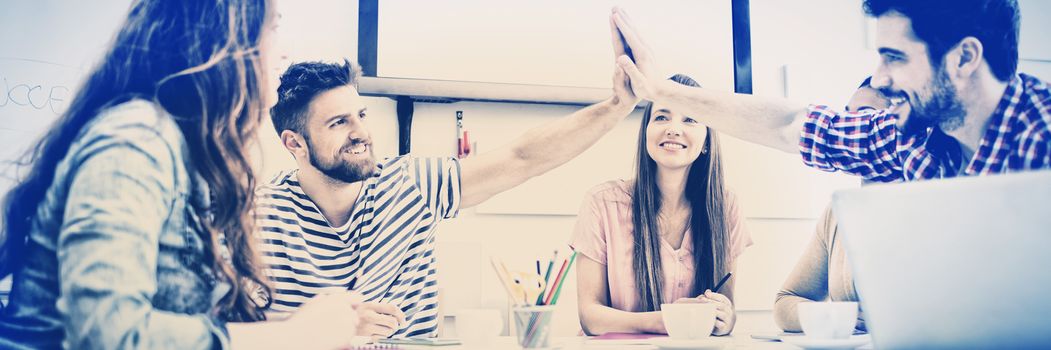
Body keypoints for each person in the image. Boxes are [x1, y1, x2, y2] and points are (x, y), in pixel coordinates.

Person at [0, 1, 363, 349]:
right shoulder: (137, 140)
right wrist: (293, 338)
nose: (286, 51)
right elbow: (106, 334)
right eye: (273, 28)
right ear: (223, 42)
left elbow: (178, 320)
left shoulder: (185, 152)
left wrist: (305, 326)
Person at [257, 42, 641, 337]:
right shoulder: (260, 215)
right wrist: (324, 332)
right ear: (295, 143)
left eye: (360, 115)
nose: (361, 133)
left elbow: (522, 157)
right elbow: (219, 333)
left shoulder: (411, 184)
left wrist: (617, 106)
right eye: (338, 123)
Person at [609, 0, 1050, 183]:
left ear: (964, 58)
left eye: (894, 57)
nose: (879, 78)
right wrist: (658, 90)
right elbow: (788, 126)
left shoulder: (1041, 136)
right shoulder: (911, 137)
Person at [571, 74, 752, 336]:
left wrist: (726, 318)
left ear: (706, 142)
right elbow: (590, 316)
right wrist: (667, 321)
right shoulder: (601, 204)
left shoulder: (727, 206)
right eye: (661, 117)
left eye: (690, 119)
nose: (673, 129)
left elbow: (726, 303)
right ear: (646, 133)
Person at [772, 78, 895, 333]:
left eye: (863, 118)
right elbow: (786, 300)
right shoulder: (839, 213)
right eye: (845, 117)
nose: (849, 128)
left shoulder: (929, 209)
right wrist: (834, 316)